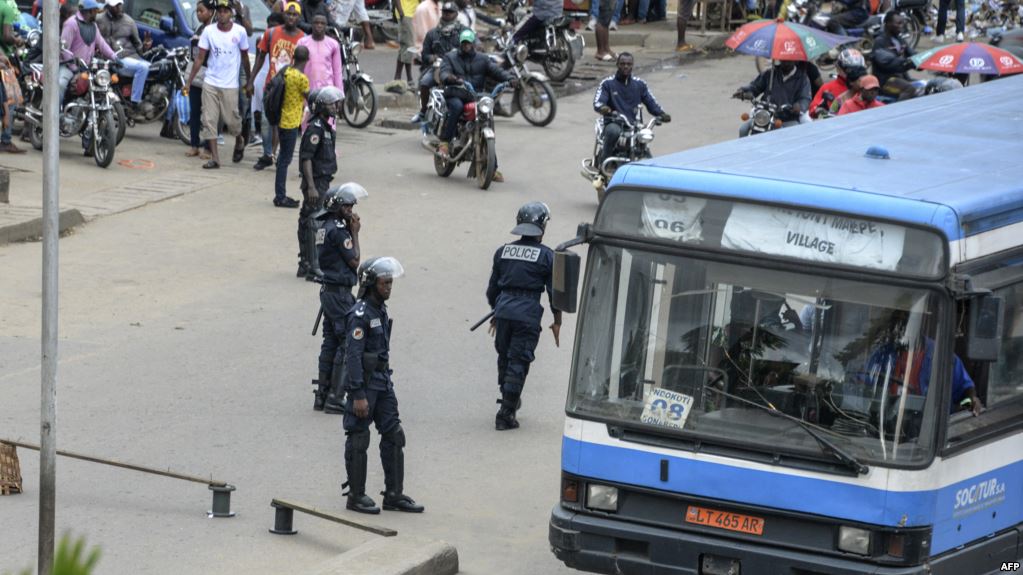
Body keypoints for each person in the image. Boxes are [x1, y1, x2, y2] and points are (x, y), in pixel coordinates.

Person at [342, 256, 425, 515]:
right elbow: (353, 356)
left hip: (382, 382)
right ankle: (356, 496)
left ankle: (393, 494)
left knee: (394, 435)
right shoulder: (360, 314)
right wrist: (357, 394)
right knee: (359, 438)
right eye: (384, 282)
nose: (389, 287)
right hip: (365, 385)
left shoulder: (380, 310)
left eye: (390, 282)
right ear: (370, 283)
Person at [486, 202, 562, 430]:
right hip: (527, 314)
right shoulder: (548, 256)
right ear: (542, 227)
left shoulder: (503, 251)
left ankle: (509, 397)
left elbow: (492, 290)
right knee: (519, 361)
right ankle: (506, 413)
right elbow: (554, 294)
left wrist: (496, 312)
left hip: (503, 311)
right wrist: (557, 321)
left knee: (505, 357)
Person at [312, 182, 367, 413]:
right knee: (348, 342)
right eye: (347, 205)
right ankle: (336, 397)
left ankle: (322, 394)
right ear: (336, 206)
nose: (352, 209)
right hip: (340, 294)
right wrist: (354, 233)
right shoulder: (339, 230)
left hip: (328, 292)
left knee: (331, 342)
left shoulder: (324, 226)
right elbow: (354, 261)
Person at [185, 0, 252, 170]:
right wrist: (189, 81)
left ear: (231, 14)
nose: (222, 14)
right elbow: (200, 58)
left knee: (232, 122)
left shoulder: (240, 32)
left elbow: (245, 57)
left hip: (230, 84)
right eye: (220, 11)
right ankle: (215, 159)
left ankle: (239, 139)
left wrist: (249, 81)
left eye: (226, 11)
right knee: (209, 120)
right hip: (210, 82)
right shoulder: (209, 31)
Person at [436, 28, 515, 160]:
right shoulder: (450, 57)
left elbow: (496, 71)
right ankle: (444, 142)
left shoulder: (483, 59)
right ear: (460, 43)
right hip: (456, 93)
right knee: (456, 107)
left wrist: (510, 79)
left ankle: (492, 166)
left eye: (468, 43)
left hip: (474, 95)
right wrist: (451, 78)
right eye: (464, 43)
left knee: (487, 116)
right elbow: (443, 72)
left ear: (473, 44)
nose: (466, 45)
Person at [250, 1, 305, 170]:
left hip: (292, 88)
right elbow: (260, 57)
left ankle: (278, 156)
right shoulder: (271, 33)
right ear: (284, 15)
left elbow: (305, 65)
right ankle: (267, 153)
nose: (291, 17)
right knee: (267, 123)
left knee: (285, 126)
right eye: (288, 13)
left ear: (299, 17)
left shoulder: (303, 38)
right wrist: (250, 80)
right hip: (272, 86)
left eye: (295, 15)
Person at [297, 86, 342, 281]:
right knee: (314, 222)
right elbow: (306, 158)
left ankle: (306, 264)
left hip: (323, 180)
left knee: (309, 220)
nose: (335, 107)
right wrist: (312, 187)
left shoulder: (326, 128)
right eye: (331, 104)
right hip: (316, 182)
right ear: (321, 106)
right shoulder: (315, 129)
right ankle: (312, 267)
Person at [593, 52, 670, 165]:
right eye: (622, 64)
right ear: (617, 65)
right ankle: (604, 164)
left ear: (632, 65)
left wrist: (661, 114)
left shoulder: (640, 85)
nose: (626, 66)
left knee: (644, 137)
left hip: (634, 125)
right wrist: (605, 108)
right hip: (614, 122)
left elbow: (651, 102)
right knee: (613, 131)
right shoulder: (608, 84)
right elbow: (598, 102)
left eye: (629, 64)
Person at [410, 2, 465, 124]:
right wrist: (431, 58)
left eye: (450, 13)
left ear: (456, 14)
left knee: (472, 83)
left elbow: (473, 46)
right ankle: (423, 112)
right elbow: (425, 55)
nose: (447, 15)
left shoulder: (464, 32)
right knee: (424, 83)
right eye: (445, 12)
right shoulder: (432, 33)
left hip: (457, 68)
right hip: (438, 68)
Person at [59, 0, 120, 105]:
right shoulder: (71, 24)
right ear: (90, 11)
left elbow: (102, 44)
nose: (97, 13)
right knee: (60, 84)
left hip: (86, 67)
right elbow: (64, 49)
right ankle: (54, 115)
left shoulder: (93, 26)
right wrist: (75, 67)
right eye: (95, 11)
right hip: (68, 67)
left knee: (103, 85)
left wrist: (114, 57)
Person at [272, 44, 309, 208]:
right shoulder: (301, 78)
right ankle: (280, 196)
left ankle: (280, 194)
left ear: (293, 57)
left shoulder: (286, 72)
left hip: (281, 119)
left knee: (282, 159)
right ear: (307, 60)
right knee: (284, 160)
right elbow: (310, 96)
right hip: (292, 122)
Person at [733, 59, 811, 137]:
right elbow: (755, 86)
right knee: (743, 129)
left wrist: (799, 106)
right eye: (783, 61)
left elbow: (805, 98)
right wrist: (744, 91)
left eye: (789, 61)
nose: (786, 63)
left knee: (792, 135)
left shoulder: (802, 79)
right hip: (765, 115)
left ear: (795, 61)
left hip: (787, 118)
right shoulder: (770, 73)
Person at [96, 0, 151, 108]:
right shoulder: (99, 20)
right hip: (114, 59)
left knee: (153, 68)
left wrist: (145, 46)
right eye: (115, 6)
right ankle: (135, 102)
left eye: (120, 5)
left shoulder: (129, 21)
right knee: (144, 67)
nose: (118, 8)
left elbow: (138, 46)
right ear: (108, 7)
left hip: (131, 57)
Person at [185, 0, 215, 159]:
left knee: (209, 115)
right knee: (194, 111)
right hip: (196, 75)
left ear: (210, 12)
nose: (198, 14)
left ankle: (209, 148)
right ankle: (194, 144)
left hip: (209, 76)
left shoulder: (214, 30)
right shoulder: (199, 28)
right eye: (197, 11)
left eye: (201, 11)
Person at [296, 15, 344, 106]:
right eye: (316, 23)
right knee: (307, 119)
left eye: (322, 23)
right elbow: (297, 69)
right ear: (311, 25)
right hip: (307, 91)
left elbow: (337, 71)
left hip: (327, 91)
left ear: (326, 26)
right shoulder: (302, 42)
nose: (319, 25)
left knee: (326, 118)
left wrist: (339, 95)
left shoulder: (333, 44)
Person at [872, 12, 917, 97]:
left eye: (902, 23)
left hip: (901, 78)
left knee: (924, 86)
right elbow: (889, 63)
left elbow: (912, 53)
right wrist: (908, 62)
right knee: (909, 89)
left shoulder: (899, 39)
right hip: (885, 81)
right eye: (898, 23)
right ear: (888, 24)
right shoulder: (880, 41)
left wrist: (923, 59)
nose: (901, 26)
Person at [0, 0, 25, 153]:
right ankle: (6, 139)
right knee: (11, 99)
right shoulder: (7, 8)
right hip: (4, 59)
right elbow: (7, 36)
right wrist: (18, 40)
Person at [809, 48, 865, 118]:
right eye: (850, 69)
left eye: (859, 69)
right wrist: (820, 110)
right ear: (839, 68)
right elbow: (812, 110)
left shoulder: (867, 87)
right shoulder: (827, 88)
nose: (855, 73)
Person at [393, 0, 417, 85]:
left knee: (405, 46)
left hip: (412, 13)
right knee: (409, 46)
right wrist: (401, 13)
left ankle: (397, 76)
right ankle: (409, 77)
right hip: (406, 14)